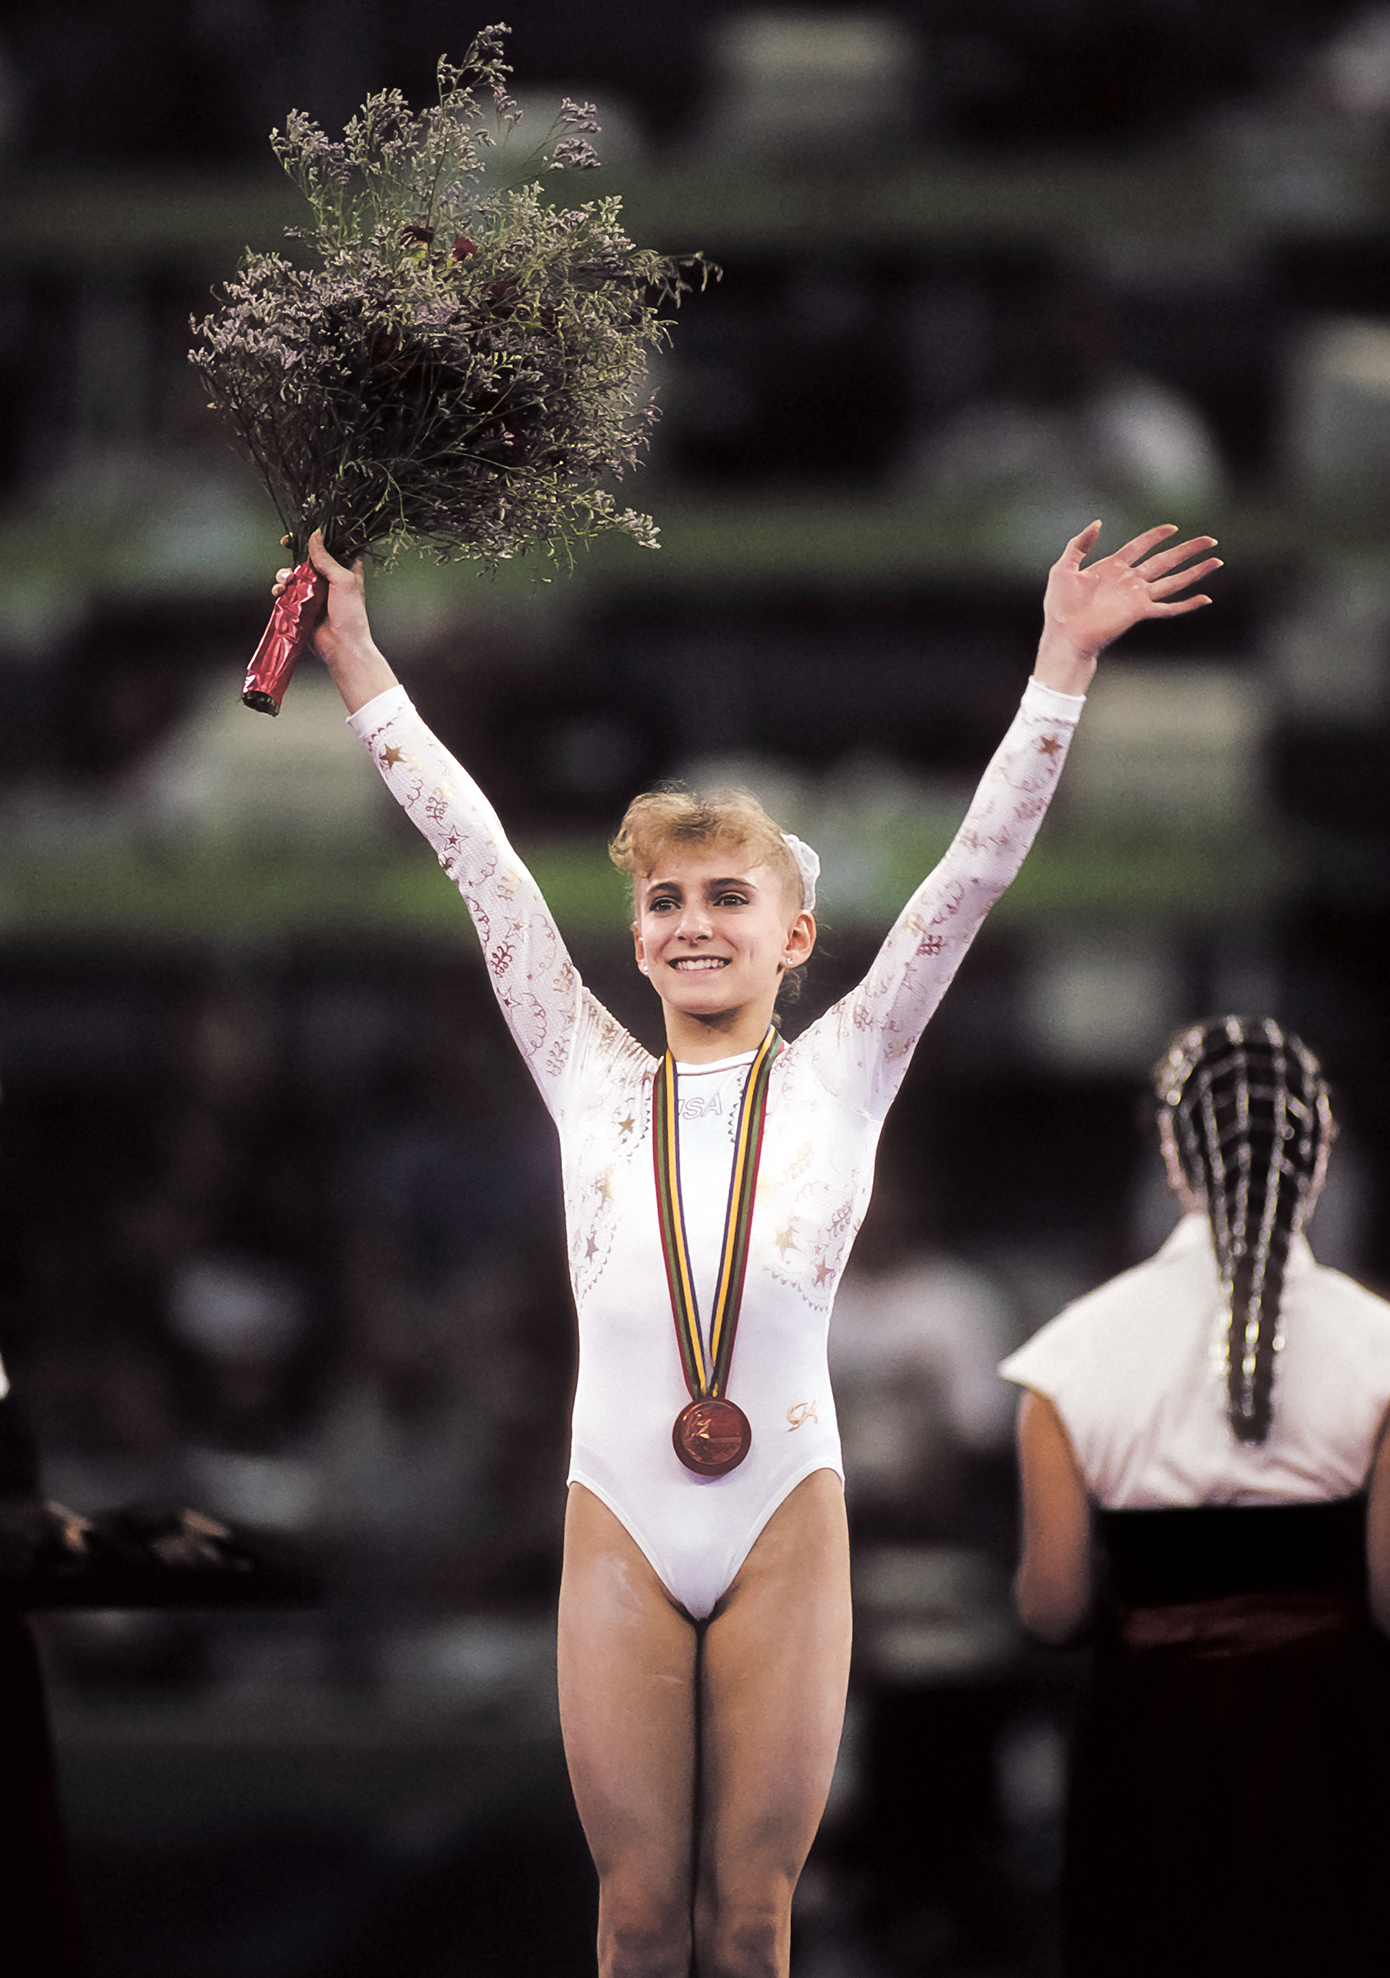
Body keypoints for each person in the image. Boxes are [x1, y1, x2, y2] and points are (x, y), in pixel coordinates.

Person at [277, 517, 1217, 1978]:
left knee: (757, 1914)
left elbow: (968, 875)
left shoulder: (847, 1067)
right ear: (638, 939)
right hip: (620, 1508)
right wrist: (361, 662)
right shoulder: (586, 1074)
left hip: (784, 1505)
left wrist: (1059, 669)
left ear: (795, 937)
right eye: (665, 900)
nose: (692, 921)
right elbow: (482, 864)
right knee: (641, 1914)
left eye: (729, 896)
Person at [1003, 1016, 1390, 1978]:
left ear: (1173, 1155)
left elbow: (1050, 1612)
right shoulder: (1384, 1350)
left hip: (1151, 1741)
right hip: (1335, 1744)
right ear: (1324, 1149)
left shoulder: (1069, 1356)